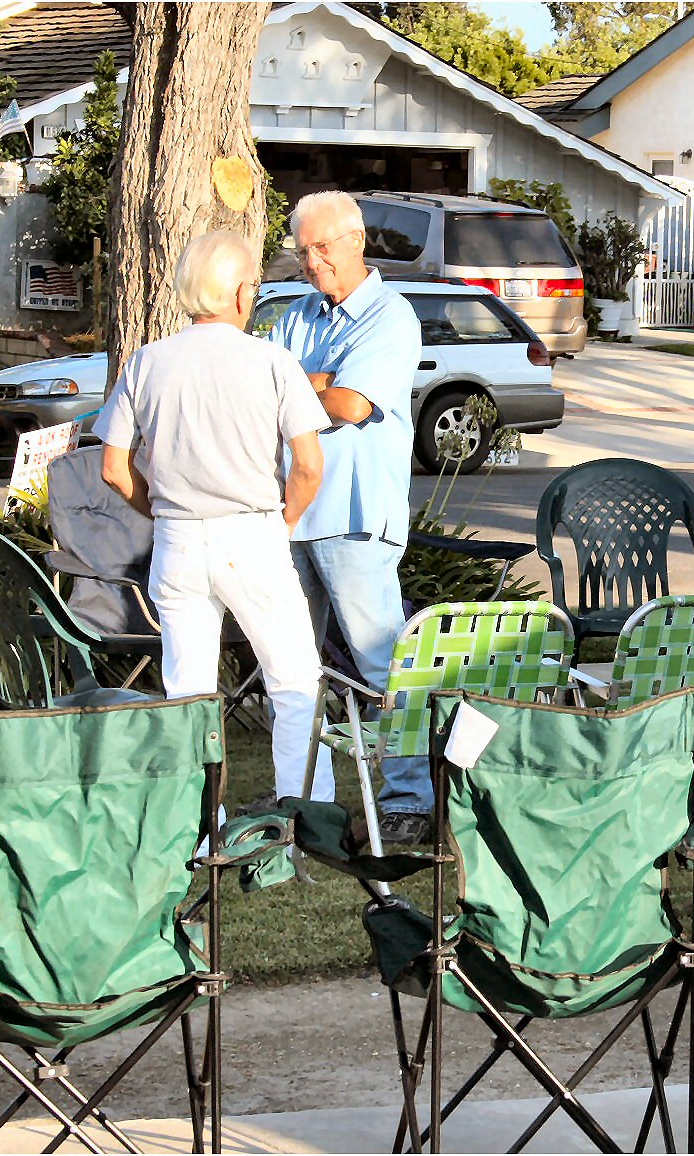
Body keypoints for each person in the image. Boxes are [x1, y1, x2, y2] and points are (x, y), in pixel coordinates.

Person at [96, 230, 328, 804]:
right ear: (242, 293)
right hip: (251, 533)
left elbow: (113, 468)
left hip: (178, 540)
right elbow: (308, 466)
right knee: (294, 681)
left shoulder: (147, 362)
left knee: (189, 692)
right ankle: (305, 812)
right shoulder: (271, 361)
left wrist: (161, 510)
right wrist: (285, 522)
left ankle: (196, 824)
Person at [267, 190, 429, 843]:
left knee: (381, 663)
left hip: (356, 517)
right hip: (290, 509)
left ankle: (410, 801)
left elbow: (353, 405)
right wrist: (316, 381)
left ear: (356, 241)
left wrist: (300, 384)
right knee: (290, 662)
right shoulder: (296, 315)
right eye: (303, 250)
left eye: (322, 247)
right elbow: (268, 388)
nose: (311, 261)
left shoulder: (391, 316)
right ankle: (308, 797)